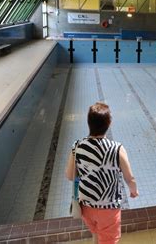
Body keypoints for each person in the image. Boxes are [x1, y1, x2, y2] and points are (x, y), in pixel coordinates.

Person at [65, 102, 138, 244]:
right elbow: (130, 177)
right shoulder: (117, 149)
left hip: (86, 206)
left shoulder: (77, 146)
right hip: (108, 209)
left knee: (96, 234)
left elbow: (69, 175)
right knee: (108, 240)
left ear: (88, 123)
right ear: (109, 123)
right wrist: (133, 190)